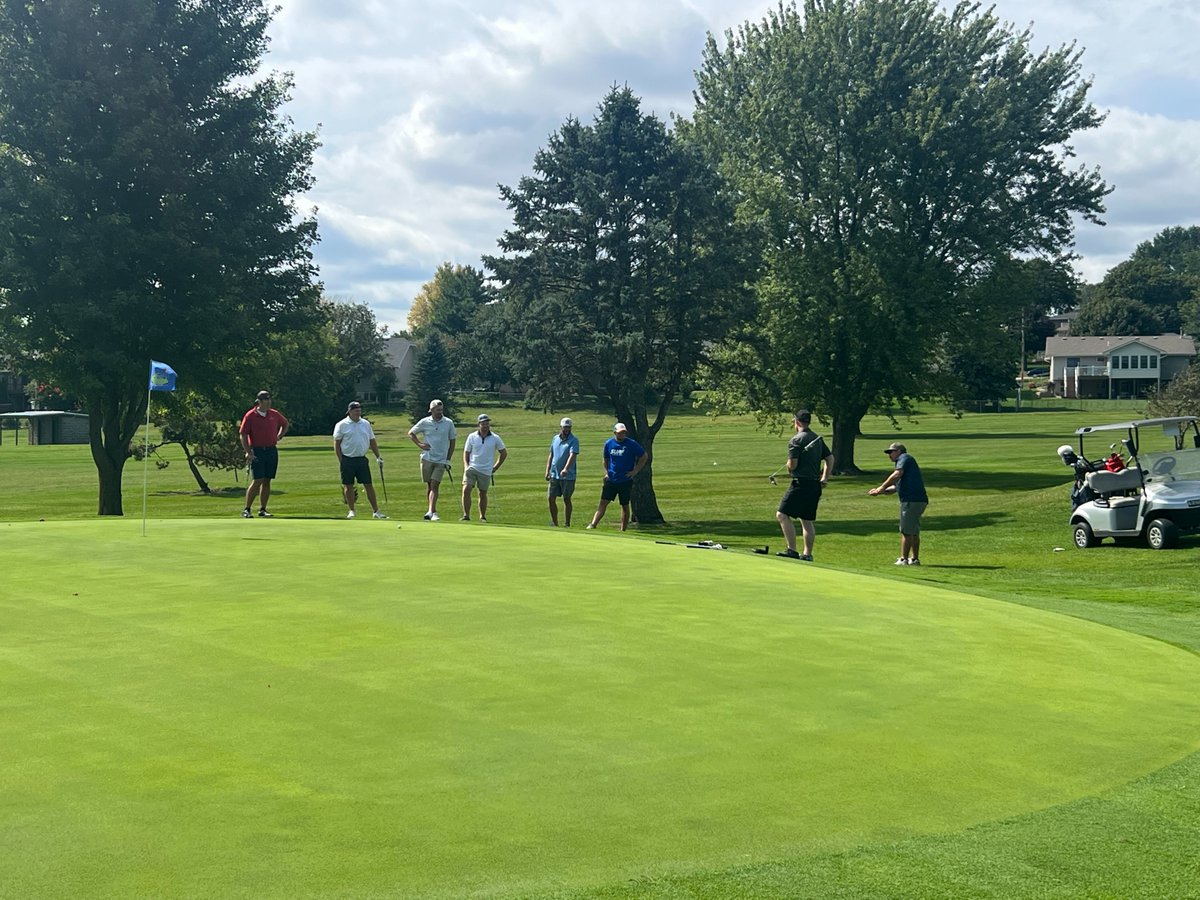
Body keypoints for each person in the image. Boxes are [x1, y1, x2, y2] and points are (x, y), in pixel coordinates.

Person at [775, 410, 834, 561]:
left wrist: (788, 465)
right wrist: (824, 478)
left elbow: (793, 465)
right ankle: (807, 554)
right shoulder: (817, 438)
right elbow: (830, 459)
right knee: (806, 520)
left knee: (782, 514)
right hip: (815, 484)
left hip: (800, 483)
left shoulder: (796, 440)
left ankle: (792, 550)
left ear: (797, 421)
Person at [868, 441, 929, 565]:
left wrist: (881, 487)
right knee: (913, 531)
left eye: (891, 452)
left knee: (906, 531)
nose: (889, 455)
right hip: (918, 500)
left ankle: (903, 559)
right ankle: (914, 559)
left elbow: (897, 474)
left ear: (899, 451)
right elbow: (895, 488)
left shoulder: (904, 458)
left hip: (911, 500)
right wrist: (880, 491)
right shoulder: (906, 464)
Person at [585, 422, 647, 532]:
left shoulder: (631, 444)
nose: (622, 434)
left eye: (623, 432)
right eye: (620, 433)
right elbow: (605, 459)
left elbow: (644, 456)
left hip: (625, 480)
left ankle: (623, 529)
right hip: (612, 479)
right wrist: (606, 472)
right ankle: (593, 524)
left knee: (624, 505)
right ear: (615, 433)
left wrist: (635, 471)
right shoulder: (609, 443)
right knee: (603, 502)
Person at [333, 401, 387, 519]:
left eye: (359, 410)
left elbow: (372, 441)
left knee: (368, 485)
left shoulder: (365, 424)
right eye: (356, 411)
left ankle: (376, 511)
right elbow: (337, 444)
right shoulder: (342, 425)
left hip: (362, 459)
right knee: (348, 485)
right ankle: (351, 510)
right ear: (350, 411)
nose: (358, 413)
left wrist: (378, 456)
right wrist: (341, 460)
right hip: (347, 459)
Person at [239, 390, 289, 518]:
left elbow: (285, 424)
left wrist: (279, 436)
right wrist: (248, 452)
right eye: (266, 400)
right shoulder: (250, 415)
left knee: (267, 480)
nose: (269, 402)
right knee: (257, 480)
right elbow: (243, 434)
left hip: (271, 450)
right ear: (259, 402)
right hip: (257, 450)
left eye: (269, 399)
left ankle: (262, 509)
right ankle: (247, 509)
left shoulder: (274, 414)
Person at [408, 399, 457, 521]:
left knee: (435, 484)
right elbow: (411, 433)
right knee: (430, 485)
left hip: (441, 460)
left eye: (441, 410)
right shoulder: (425, 422)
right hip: (427, 458)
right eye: (437, 410)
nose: (440, 412)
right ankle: (431, 511)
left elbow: (452, 442)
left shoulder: (448, 423)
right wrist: (420, 444)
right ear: (431, 410)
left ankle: (432, 512)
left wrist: (448, 459)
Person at [461, 414, 506, 521]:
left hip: (486, 470)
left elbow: (503, 453)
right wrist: (466, 466)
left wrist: (495, 467)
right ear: (479, 424)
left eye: (487, 423)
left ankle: (482, 516)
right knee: (466, 490)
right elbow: (466, 452)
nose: (485, 426)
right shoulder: (472, 436)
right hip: (472, 468)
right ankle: (466, 515)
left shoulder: (495, 438)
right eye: (483, 424)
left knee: (482, 493)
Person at [546, 417, 580, 527]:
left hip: (568, 476)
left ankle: (567, 523)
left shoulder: (574, 440)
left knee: (566, 498)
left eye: (569, 427)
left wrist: (566, 468)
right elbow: (551, 454)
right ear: (560, 427)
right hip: (554, 474)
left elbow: (572, 455)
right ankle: (555, 522)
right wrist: (547, 470)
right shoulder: (555, 438)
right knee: (551, 498)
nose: (567, 429)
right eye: (565, 427)